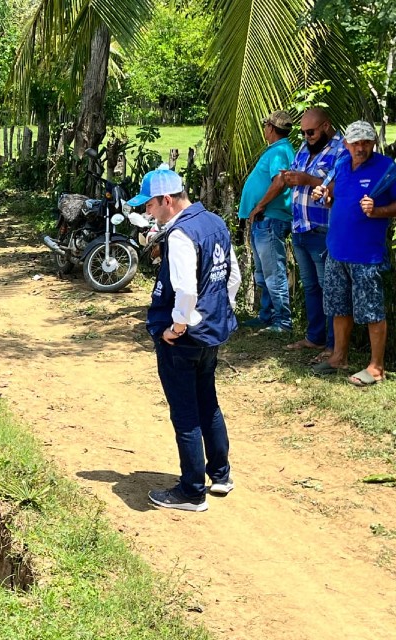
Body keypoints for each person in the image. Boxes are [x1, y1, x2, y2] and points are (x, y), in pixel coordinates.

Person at [128, 165, 242, 512]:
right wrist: (218, 311)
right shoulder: (215, 223)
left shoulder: (180, 235)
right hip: (211, 333)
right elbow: (233, 276)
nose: (147, 212)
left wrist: (176, 328)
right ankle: (220, 475)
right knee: (208, 402)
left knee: (185, 413)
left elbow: (187, 291)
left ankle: (191, 491)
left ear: (167, 200)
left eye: (150, 205)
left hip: (183, 338)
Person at [312, 121, 396, 386]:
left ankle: (376, 367)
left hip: (366, 254)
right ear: (346, 144)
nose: (360, 148)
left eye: (366, 142)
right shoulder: (341, 165)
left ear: (373, 142)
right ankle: (339, 357)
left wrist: (378, 210)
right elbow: (335, 193)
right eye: (355, 143)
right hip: (337, 250)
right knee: (339, 307)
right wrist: (324, 194)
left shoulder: (387, 168)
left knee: (371, 311)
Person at [280, 108, 346, 359]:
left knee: (328, 287)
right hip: (301, 226)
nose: (306, 136)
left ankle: (332, 345)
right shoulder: (305, 148)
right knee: (310, 287)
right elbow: (299, 173)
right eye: (303, 132)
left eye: (311, 132)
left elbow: (338, 185)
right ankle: (315, 337)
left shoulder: (341, 150)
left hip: (323, 227)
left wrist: (307, 180)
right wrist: (289, 178)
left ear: (326, 126)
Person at [238, 110, 296, 333]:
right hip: (265, 220)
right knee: (264, 272)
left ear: (270, 128)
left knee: (273, 272)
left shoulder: (280, 151)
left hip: (270, 218)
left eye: (265, 127)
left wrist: (261, 205)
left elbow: (280, 180)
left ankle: (282, 321)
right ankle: (267, 316)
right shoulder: (277, 150)